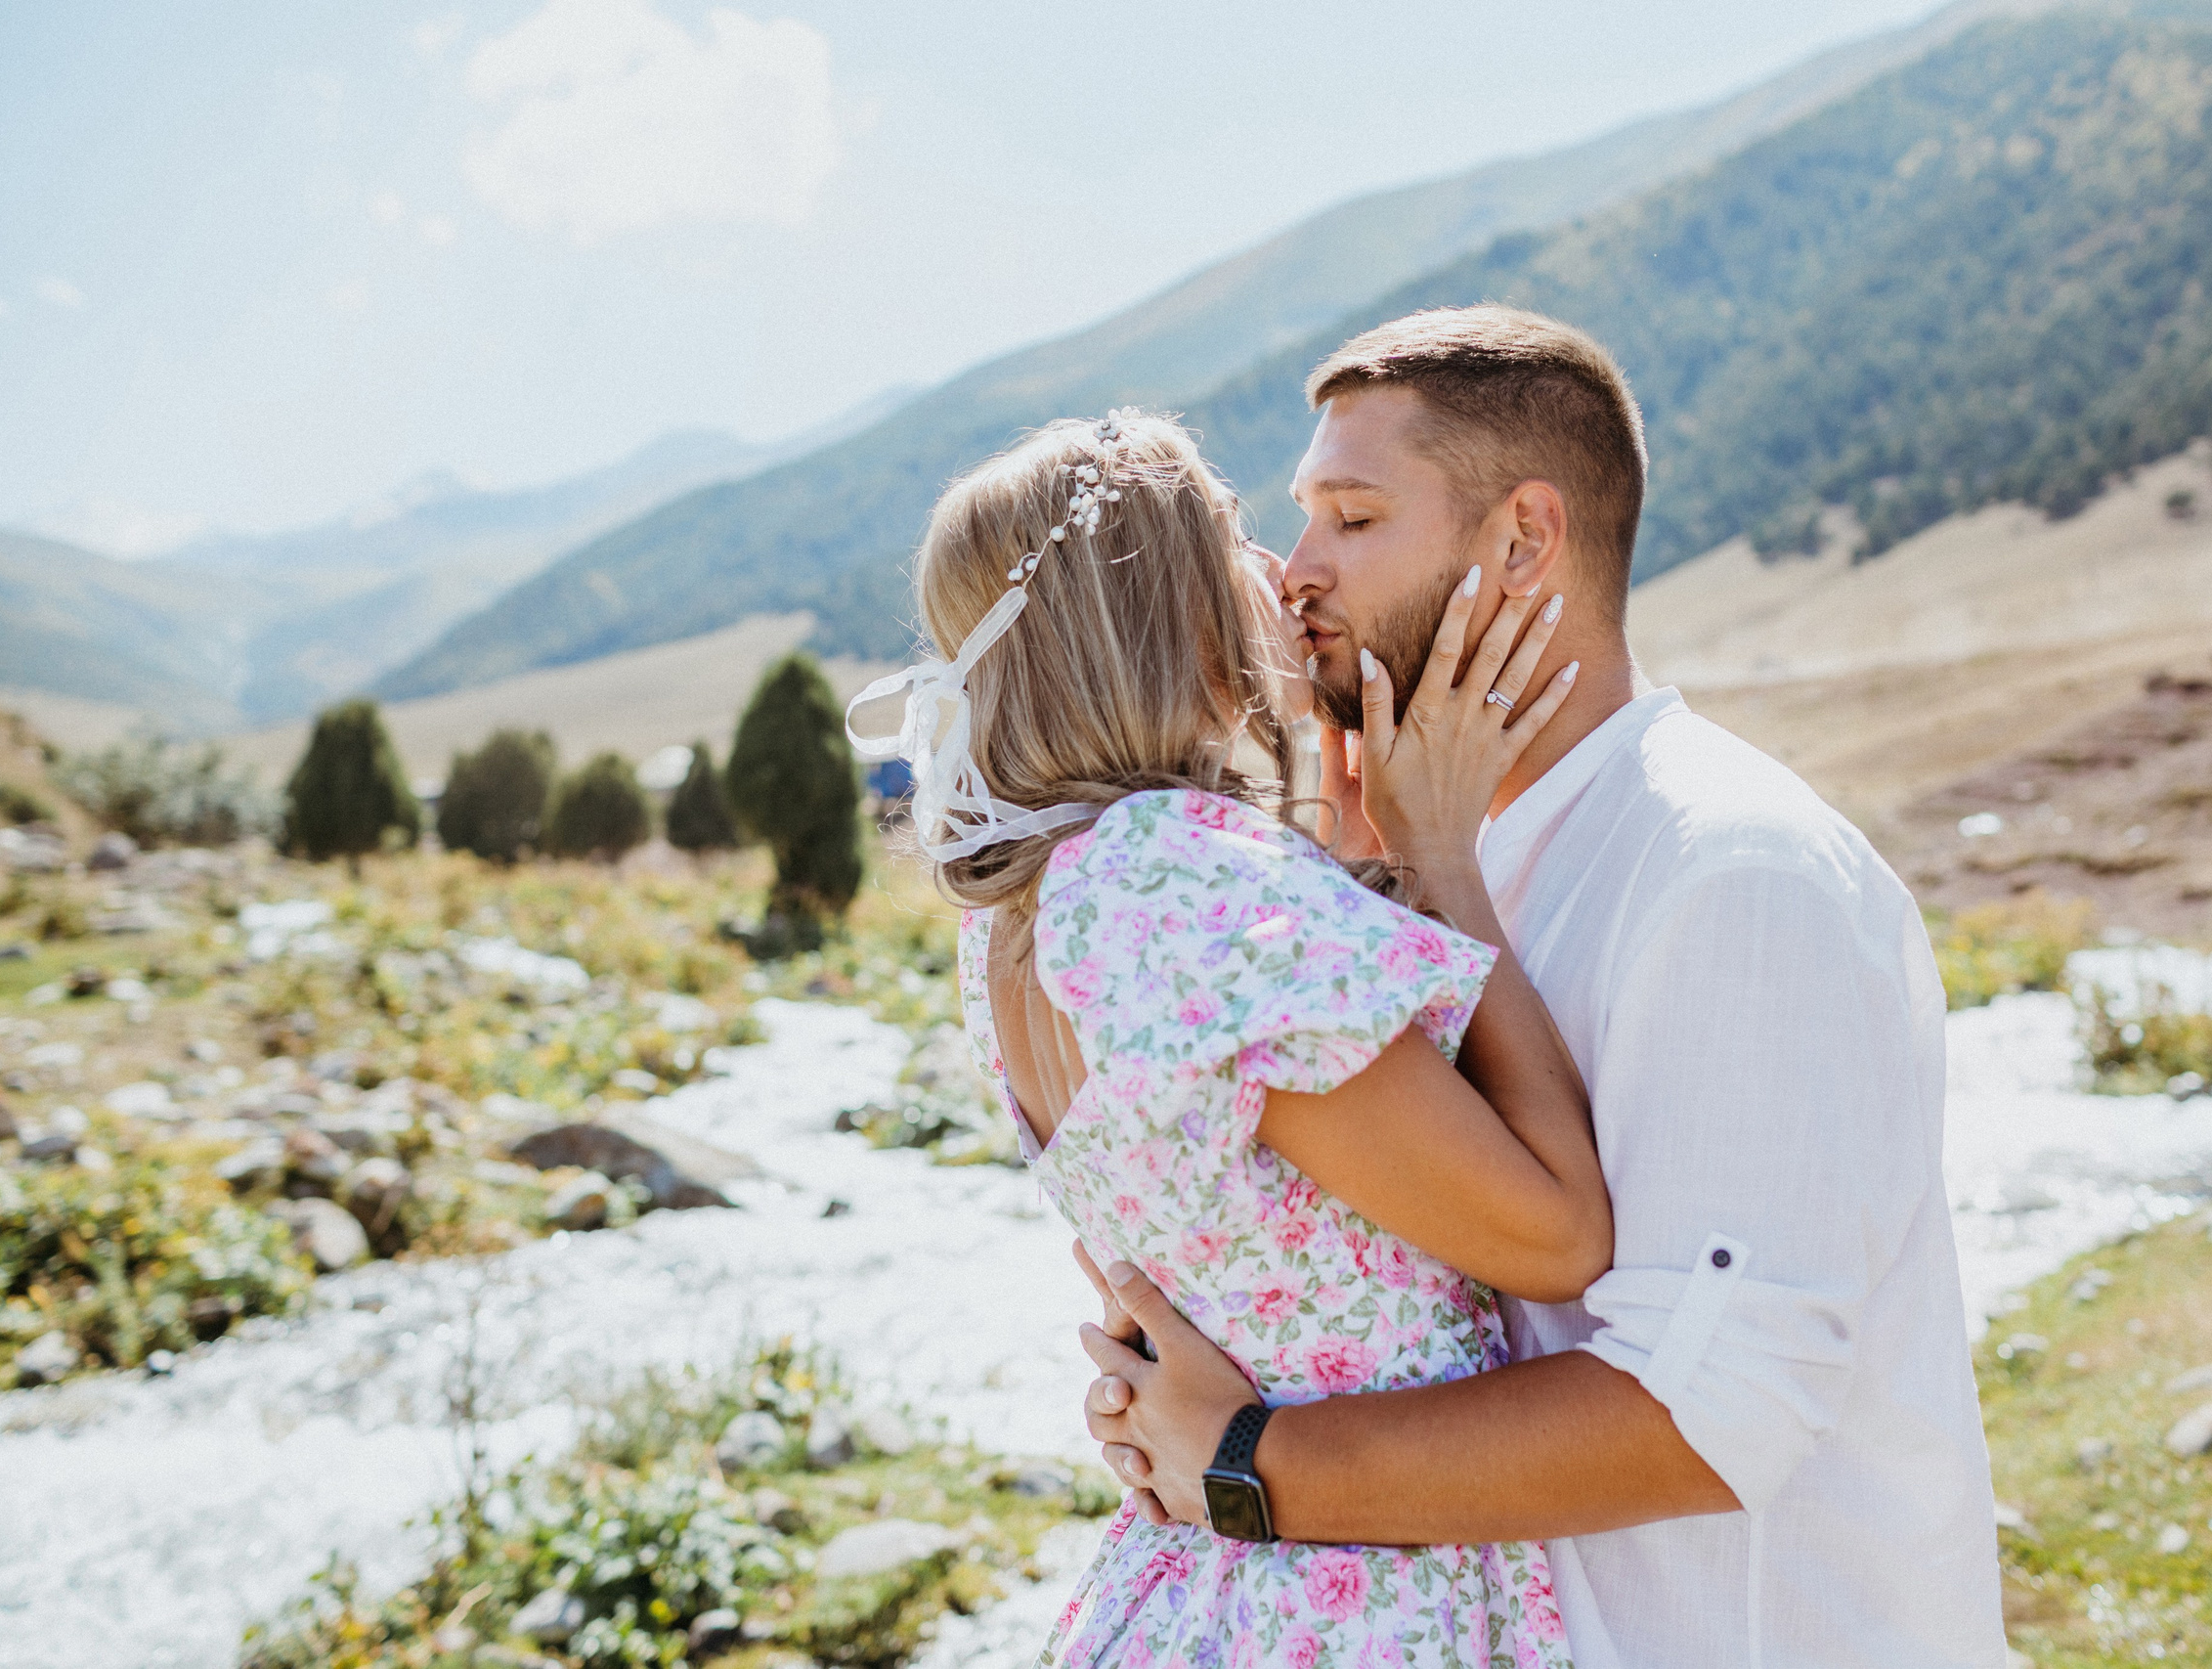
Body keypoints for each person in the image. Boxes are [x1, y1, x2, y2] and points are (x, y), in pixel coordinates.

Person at [1077, 307, 2009, 1667]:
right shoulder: (1459, 859)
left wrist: (1248, 1460)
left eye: (1351, 516)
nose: (1292, 573)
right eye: (1302, 518)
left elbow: (1709, 1407)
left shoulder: (1732, 871)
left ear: (1522, 540)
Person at [847, 408, 1620, 1666]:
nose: (1278, 573)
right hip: (1361, 1592)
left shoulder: (1024, 913)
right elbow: (1556, 1236)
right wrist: (1445, 863)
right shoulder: (1176, 878)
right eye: (1239, 537)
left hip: (1207, 1578)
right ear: (1174, 615)